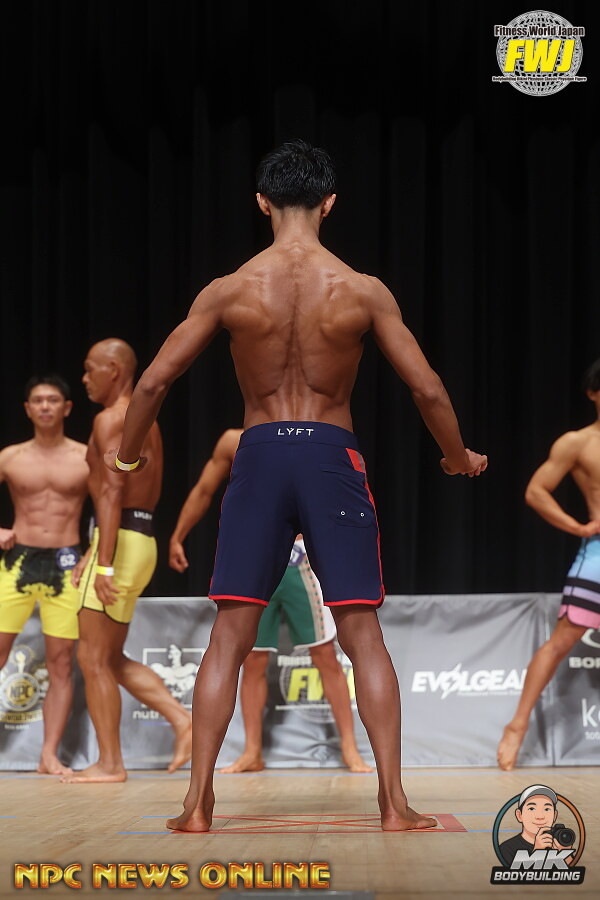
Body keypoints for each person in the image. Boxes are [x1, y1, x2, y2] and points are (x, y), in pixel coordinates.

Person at [107, 139, 487, 831]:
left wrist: (127, 459)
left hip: (258, 454)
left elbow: (155, 382)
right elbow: (427, 388)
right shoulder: (362, 290)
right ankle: (393, 804)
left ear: (261, 202)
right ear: (330, 203)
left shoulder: (229, 289)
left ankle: (196, 805)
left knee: (229, 633)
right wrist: (458, 457)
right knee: (361, 631)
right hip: (329, 457)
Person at [169, 427, 373, 773]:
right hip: (256, 554)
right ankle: (252, 751)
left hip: (300, 558)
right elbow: (204, 489)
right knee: (252, 659)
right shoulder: (233, 440)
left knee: (325, 655)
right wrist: (178, 535)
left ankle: (350, 749)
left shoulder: (311, 432)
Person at [63, 339, 192, 783]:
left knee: (92, 658)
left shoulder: (110, 418)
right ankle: (181, 719)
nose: (85, 378)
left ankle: (110, 764)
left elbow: (111, 490)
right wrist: (94, 551)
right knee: (110, 657)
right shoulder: (141, 419)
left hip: (119, 545)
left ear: (114, 370)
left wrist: (103, 563)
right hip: (137, 538)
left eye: (89, 369)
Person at [497, 359, 600, 770]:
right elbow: (537, 491)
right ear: (593, 393)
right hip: (598, 555)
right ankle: (517, 725)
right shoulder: (578, 442)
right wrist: (578, 527)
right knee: (560, 642)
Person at [0, 375, 88, 775]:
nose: (46, 406)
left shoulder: (84, 456)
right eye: (38, 400)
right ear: (28, 409)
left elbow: (111, 505)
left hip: (67, 562)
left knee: (61, 662)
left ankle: (48, 755)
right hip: (17, 560)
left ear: (67, 408)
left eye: (53, 400)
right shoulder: (11, 457)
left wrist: (95, 553)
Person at [499, 785, 575, 866]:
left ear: (555, 816)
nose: (540, 816)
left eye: (547, 809)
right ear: (519, 815)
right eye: (532, 809)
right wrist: (537, 852)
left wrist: (566, 854)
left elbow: (572, 871)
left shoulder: (559, 843)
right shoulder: (507, 848)